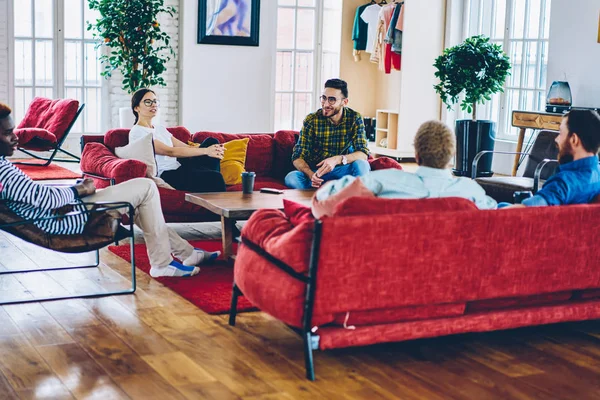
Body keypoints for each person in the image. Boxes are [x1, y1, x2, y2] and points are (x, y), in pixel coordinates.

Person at [0, 102, 218, 278]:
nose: (16, 137)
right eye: (9, 133)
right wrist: (80, 189)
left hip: (68, 210)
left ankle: (185, 254)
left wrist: (76, 190)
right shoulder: (2, 169)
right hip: (70, 218)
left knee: (144, 195)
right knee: (147, 187)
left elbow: (34, 195)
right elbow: (44, 198)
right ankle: (165, 262)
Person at [312, 120, 497, 217]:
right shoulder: (472, 192)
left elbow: (324, 203)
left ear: (416, 155)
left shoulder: (380, 182)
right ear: (452, 156)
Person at [129, 88, 226, 193]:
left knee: (212, 141)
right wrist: (207, 151)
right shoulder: (138, 132)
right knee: (216, 178)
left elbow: (185, 146)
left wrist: (212, 148)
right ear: (136, 108)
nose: (153, 105)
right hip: (167, 174)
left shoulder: (160, 128)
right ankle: (210, 182)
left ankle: (208, 181)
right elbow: (170, 151)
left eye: (155, 101)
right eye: (148, 102)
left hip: (180, 167)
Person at [502, 109, 600, 208]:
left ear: (574, 139)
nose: (556, 139)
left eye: (561, 133)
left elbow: (528, 210)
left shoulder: (564, 183)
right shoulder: (597, 174)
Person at [285, 78, 371, 189]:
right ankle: (324, 195)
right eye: (324, 98)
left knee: (362, 165)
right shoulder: (312, 120)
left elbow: (363, 153)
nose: (325, 104)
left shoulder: (354, 118)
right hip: (318, 173)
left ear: (344, 102)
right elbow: (297, 156)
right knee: (291, 178)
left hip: (343, 170)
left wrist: (336, 159)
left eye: (332, 100)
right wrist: (311, 175)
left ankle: (352, 197)